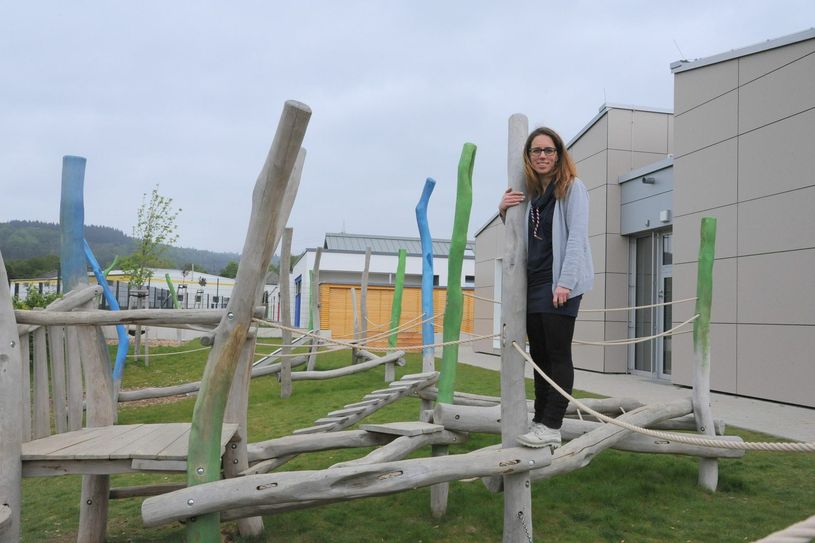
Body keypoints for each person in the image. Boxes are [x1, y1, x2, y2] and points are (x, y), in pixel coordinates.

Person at [498, 126, 593, 448]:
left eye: (548, 150)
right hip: (535, 283)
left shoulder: (572, 187)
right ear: (528, 156)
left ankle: (552, 426)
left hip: (560, 284)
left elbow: (577, 238)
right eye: (536, 150)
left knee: (557, 355)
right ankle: (540, 421)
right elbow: (527, 238)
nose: (542, 156)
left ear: (558, 154)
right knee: (539, 357)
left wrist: (565, 283)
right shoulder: (532, 195)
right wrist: (503, 211)